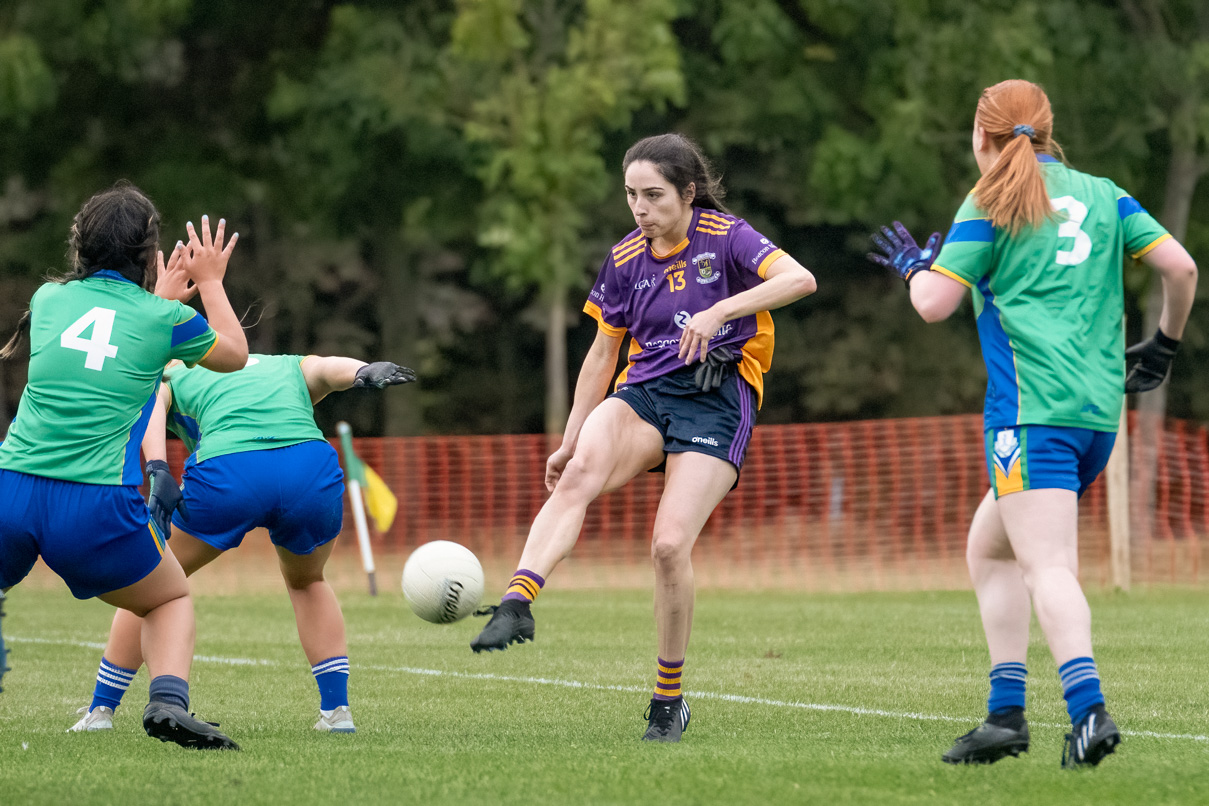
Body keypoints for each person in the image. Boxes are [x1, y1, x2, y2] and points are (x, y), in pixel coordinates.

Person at [868, 79, 1197, 768]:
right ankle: (1004, 715)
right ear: (1047, 131)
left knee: (1045, 566)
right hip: (1096, 418)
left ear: (981, 137)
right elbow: (1180, 267)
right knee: (988, 550)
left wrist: (912, 270)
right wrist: (1162, 347)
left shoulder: (991, 198)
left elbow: (932, 304)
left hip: (1027, 419)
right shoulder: (1106, 194)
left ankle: (1087, 712)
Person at [470, 133, 817, 742]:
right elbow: (603, 351)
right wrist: (570, 436)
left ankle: (668, 697)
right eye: (631, 194)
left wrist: (721, 312)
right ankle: (517, 602)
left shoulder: (726, 236)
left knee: (666, 547)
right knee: (577, 474)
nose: (640, 208)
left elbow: (801, 280)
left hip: (716, 400)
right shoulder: (625, 258)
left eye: (653, 195)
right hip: (646, 394)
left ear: (686, 192)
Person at [0, 183, 249, 749]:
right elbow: (233, 354)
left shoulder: (46, 300)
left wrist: (157, 300)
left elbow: (106, 343)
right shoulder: (162, 320)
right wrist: (208, 282)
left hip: (10, 488)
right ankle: (167, 702)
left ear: (79, 244)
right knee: (168, 596)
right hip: (91, 503)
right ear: (147, 252)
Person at [68, 339, 415, 735]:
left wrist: (159, 468)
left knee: (148, 585)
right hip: (309, 470)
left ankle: (100, 711)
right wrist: (362, 371)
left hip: (230, 473)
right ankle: (337, 713)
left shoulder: (174, 369)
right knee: (308, 581)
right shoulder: (284, 363)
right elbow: (326, 368)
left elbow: (151, 412)